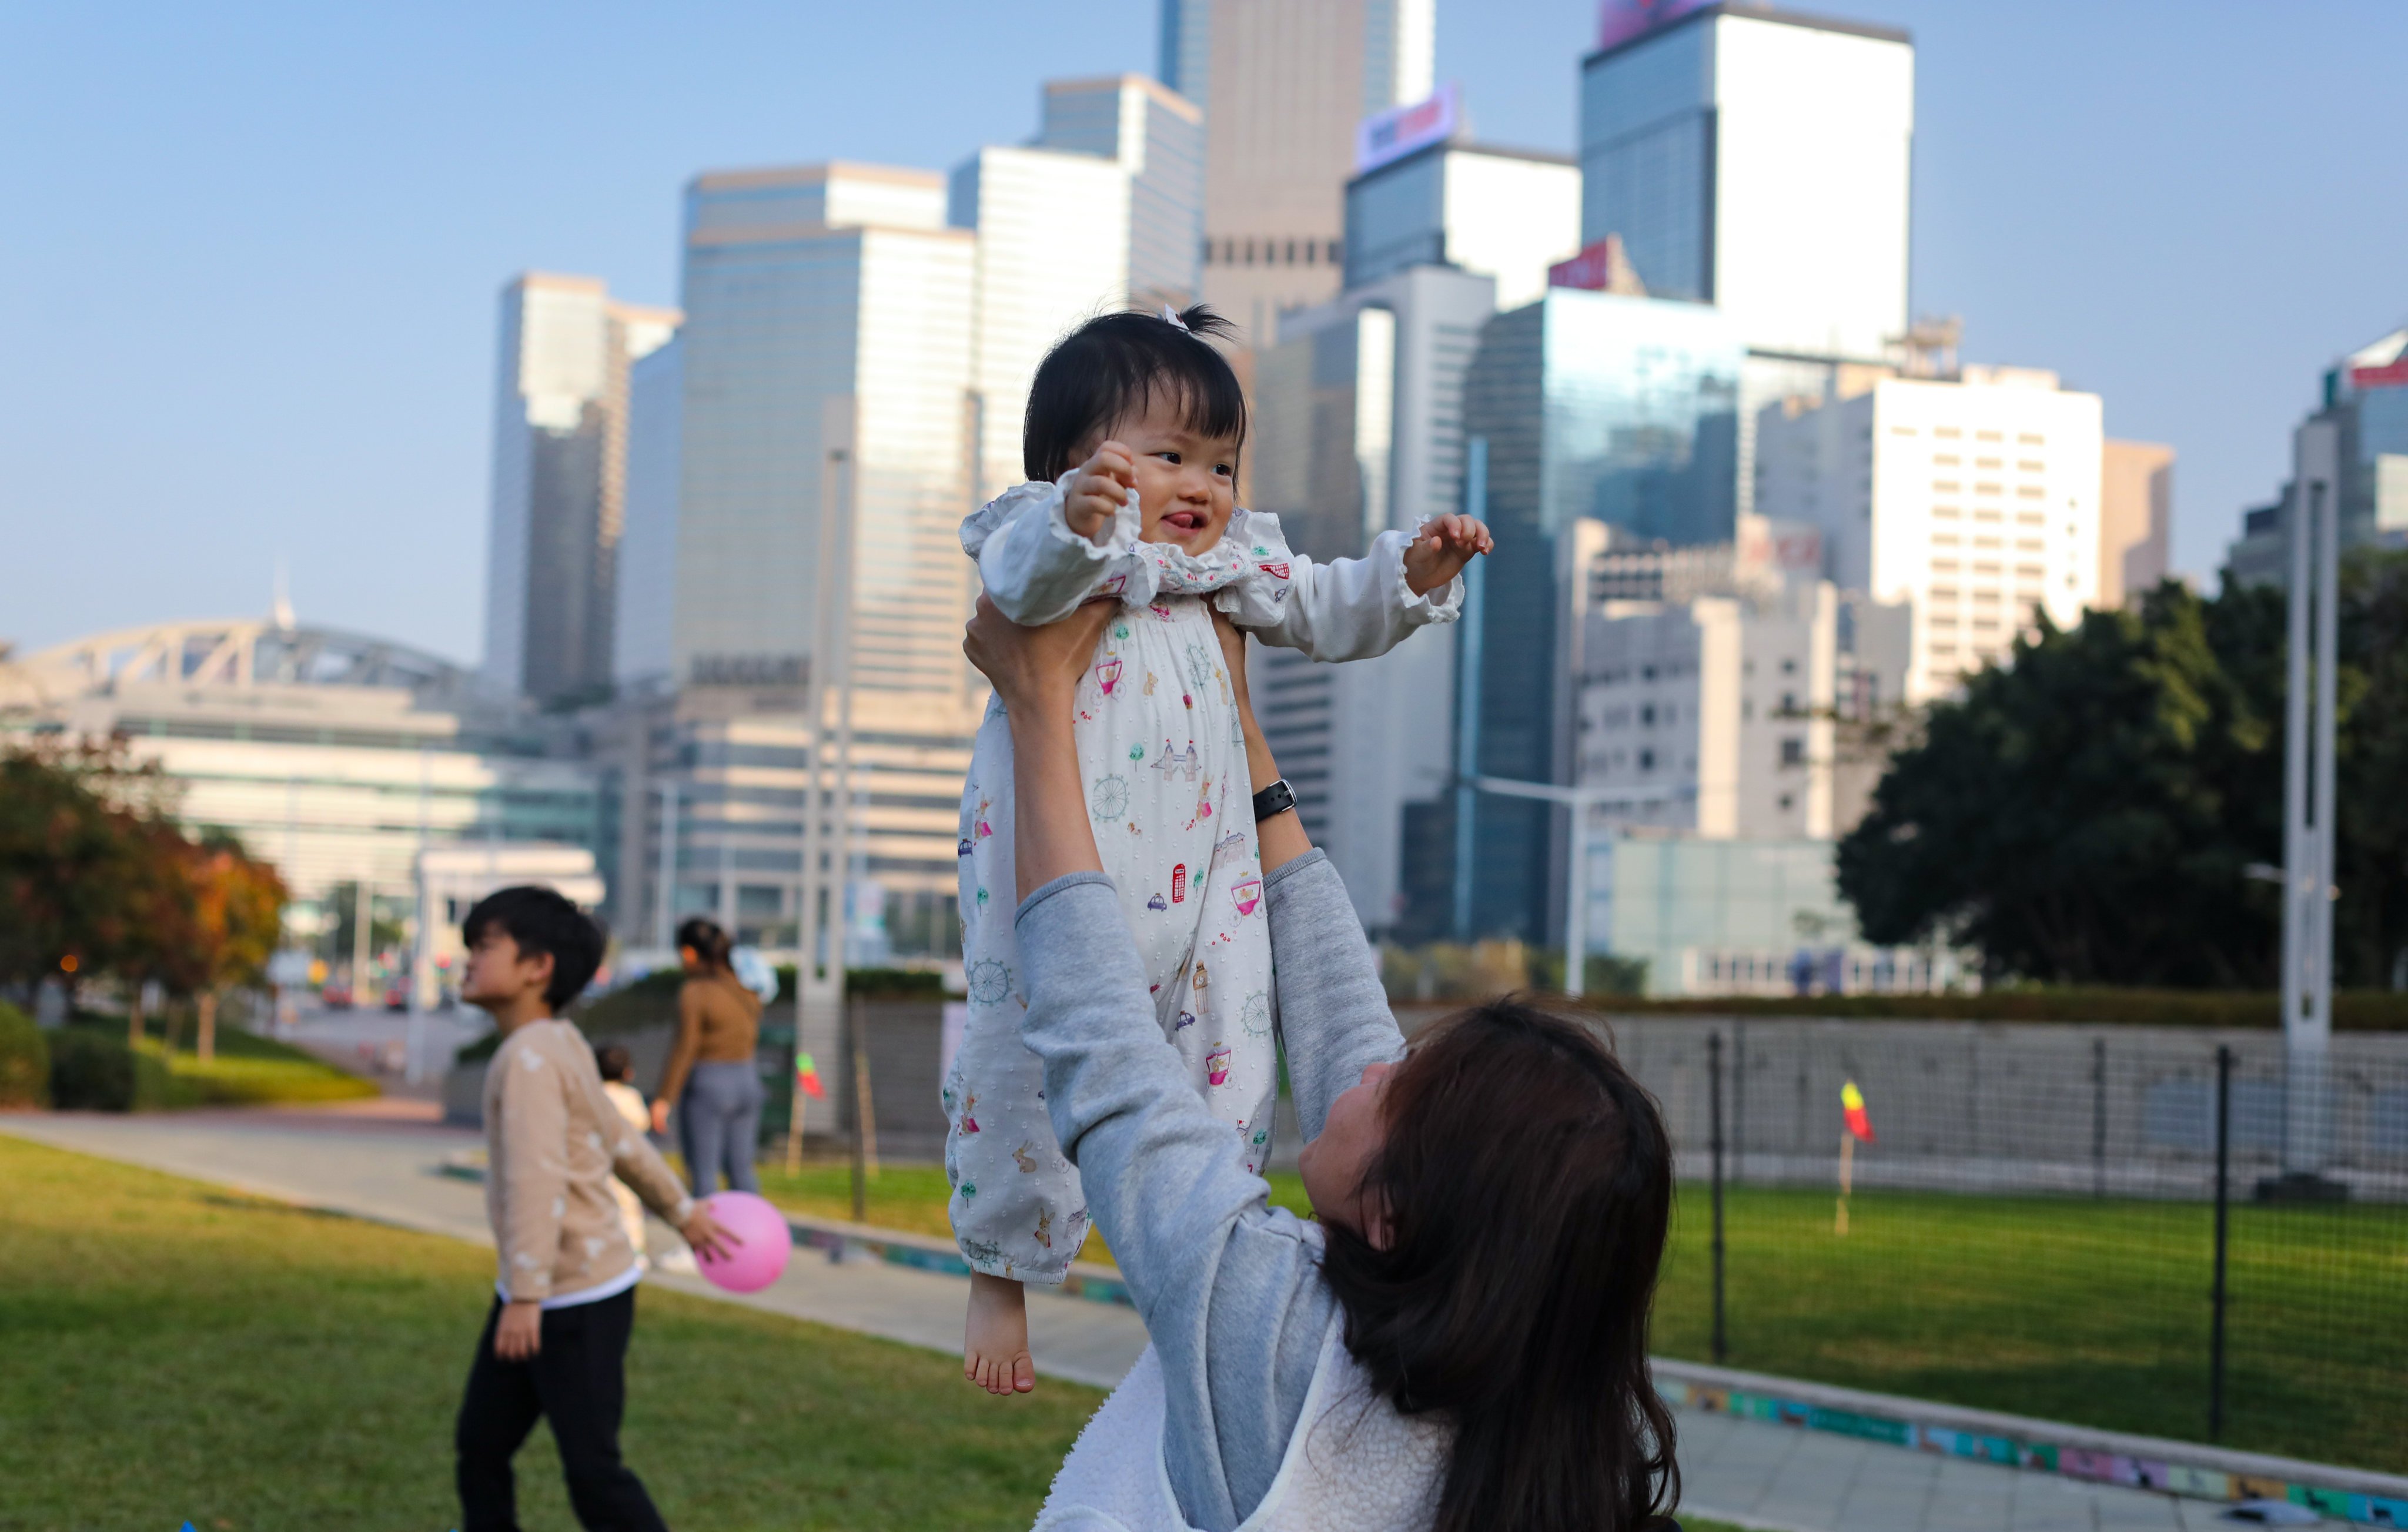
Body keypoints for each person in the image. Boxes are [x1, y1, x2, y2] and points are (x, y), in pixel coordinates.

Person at [964, 600, 1681, 1532]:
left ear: (1393, 1219)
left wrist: (1037, 703)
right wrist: (1242, 726)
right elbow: (1340, 1002)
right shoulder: (1542, 1420)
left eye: (1397, 1089)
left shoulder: (1277, 1348)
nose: (1371, 1069)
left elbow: (1104, 1042)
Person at [949, 303, 1493, 1395]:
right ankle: (1003, 1265)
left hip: (1214, 886)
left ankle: (1201, 1268)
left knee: (1232, 1060)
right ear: (1071, 464)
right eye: (1166, 457)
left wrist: (1414, 575)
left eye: (1222, 462)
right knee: (1022, 1051)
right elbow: (1018, 588)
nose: (1201, 484)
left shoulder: (1228, 567)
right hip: (1061, 873)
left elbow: (1330, 605)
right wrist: (1079, 522)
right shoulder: (1040, 533)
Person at [453, 886, 737, 1532]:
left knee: (592, 1471)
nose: (467, 958)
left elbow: (536, 1176)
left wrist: (525, 1293)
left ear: (537, 966)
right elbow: (620, 1139)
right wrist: (681, 1209)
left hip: (566, 1296)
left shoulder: (529, 1057)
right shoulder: (560, 1041)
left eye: (483, 945)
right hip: (546, 1287)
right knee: (482, 1443)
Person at [651, 915, 765, 1197]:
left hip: (709, 1085)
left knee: (704, 1175)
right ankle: (754, 1237)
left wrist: (664, 1098)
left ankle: (705, 1242)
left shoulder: (695, 993)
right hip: (748, 1081)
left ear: (689, 952)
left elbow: (685, 1048)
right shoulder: (744, 991)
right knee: (742, 1171)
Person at [594, 1044, 653, 1269]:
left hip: (598, 1163)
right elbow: (642, 1123)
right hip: (626, 1164)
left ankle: (601, 1247)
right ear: (629, 1073)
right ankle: (636, 1250)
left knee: (598, 1205)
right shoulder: (631, 1096)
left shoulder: (594, 1095)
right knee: (629, 1207)